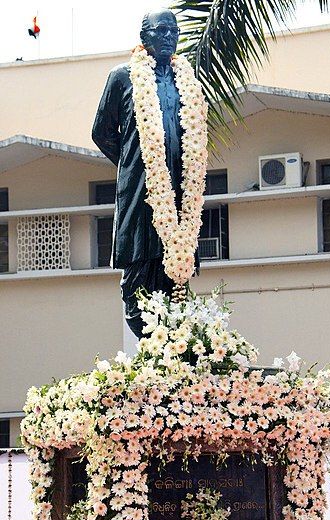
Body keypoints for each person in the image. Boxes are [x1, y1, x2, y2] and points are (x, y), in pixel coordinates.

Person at [92, 9, 197, 339]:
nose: (168, 36)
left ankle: (176, 349)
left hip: (182, 192)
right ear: (144, 36)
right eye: (160, 30)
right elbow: (102, 132)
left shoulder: (188, 82)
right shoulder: (122, 76)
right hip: (141, 190)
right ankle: (152, 342)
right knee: (139, 273)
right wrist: (133, 166)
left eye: (173, 31)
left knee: (175, 276)